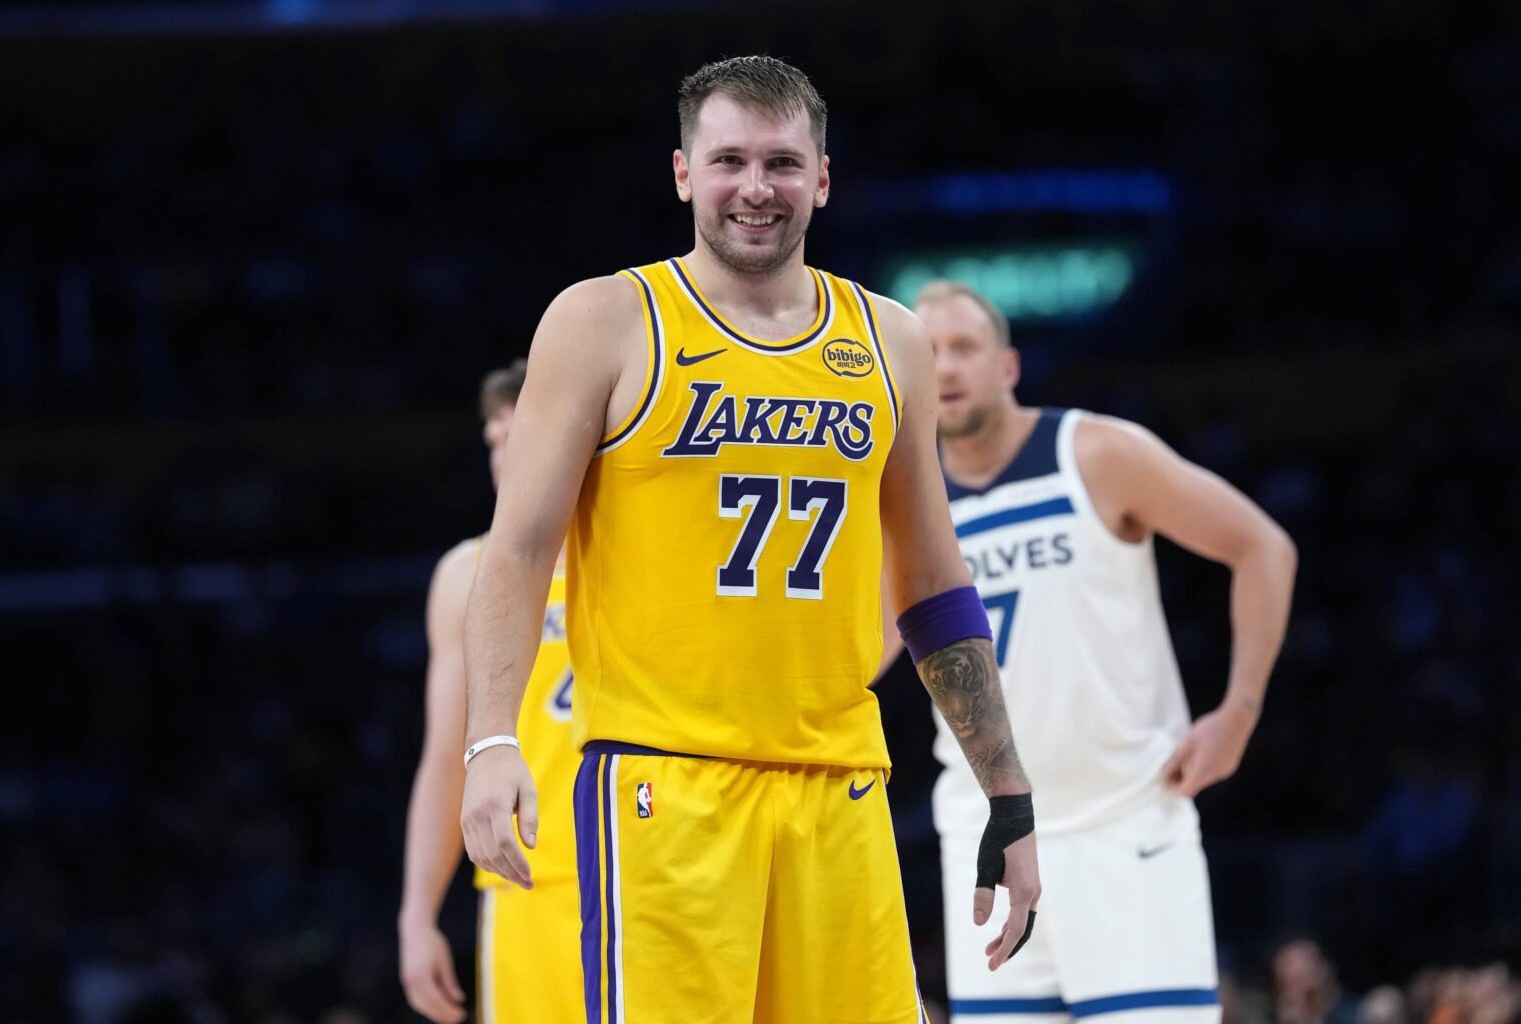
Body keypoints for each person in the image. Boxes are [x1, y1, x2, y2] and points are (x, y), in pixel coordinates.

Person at [458, 56, 1041, 1024]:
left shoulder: (890, 339)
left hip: (841, 788)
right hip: (663, 785)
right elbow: (515, 550)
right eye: (729, 160)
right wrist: (491, 741)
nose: (756, 187)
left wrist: (1007, 792)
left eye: (782, 162)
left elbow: (935, 585)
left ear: (823, 178)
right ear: (683, 172)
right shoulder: (604, 319)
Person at [908, 280, 1297, 1024]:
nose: (946, 367)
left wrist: (1240, 711)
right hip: (985, 837)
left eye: (964, 347)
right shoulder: (908, 503)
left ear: (1008, 366)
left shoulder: (1094, 453)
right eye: (928, 354)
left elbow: (1263, 548)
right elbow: (863, 651)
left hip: (1124, 825)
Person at [398, 361, 583, 1024]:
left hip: (657, 868)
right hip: (530, 884)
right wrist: (417, 914)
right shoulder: (465, 574)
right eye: (493, 439)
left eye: (517, 430)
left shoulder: (645, 555)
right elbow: (446, 758)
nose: (503, 452)